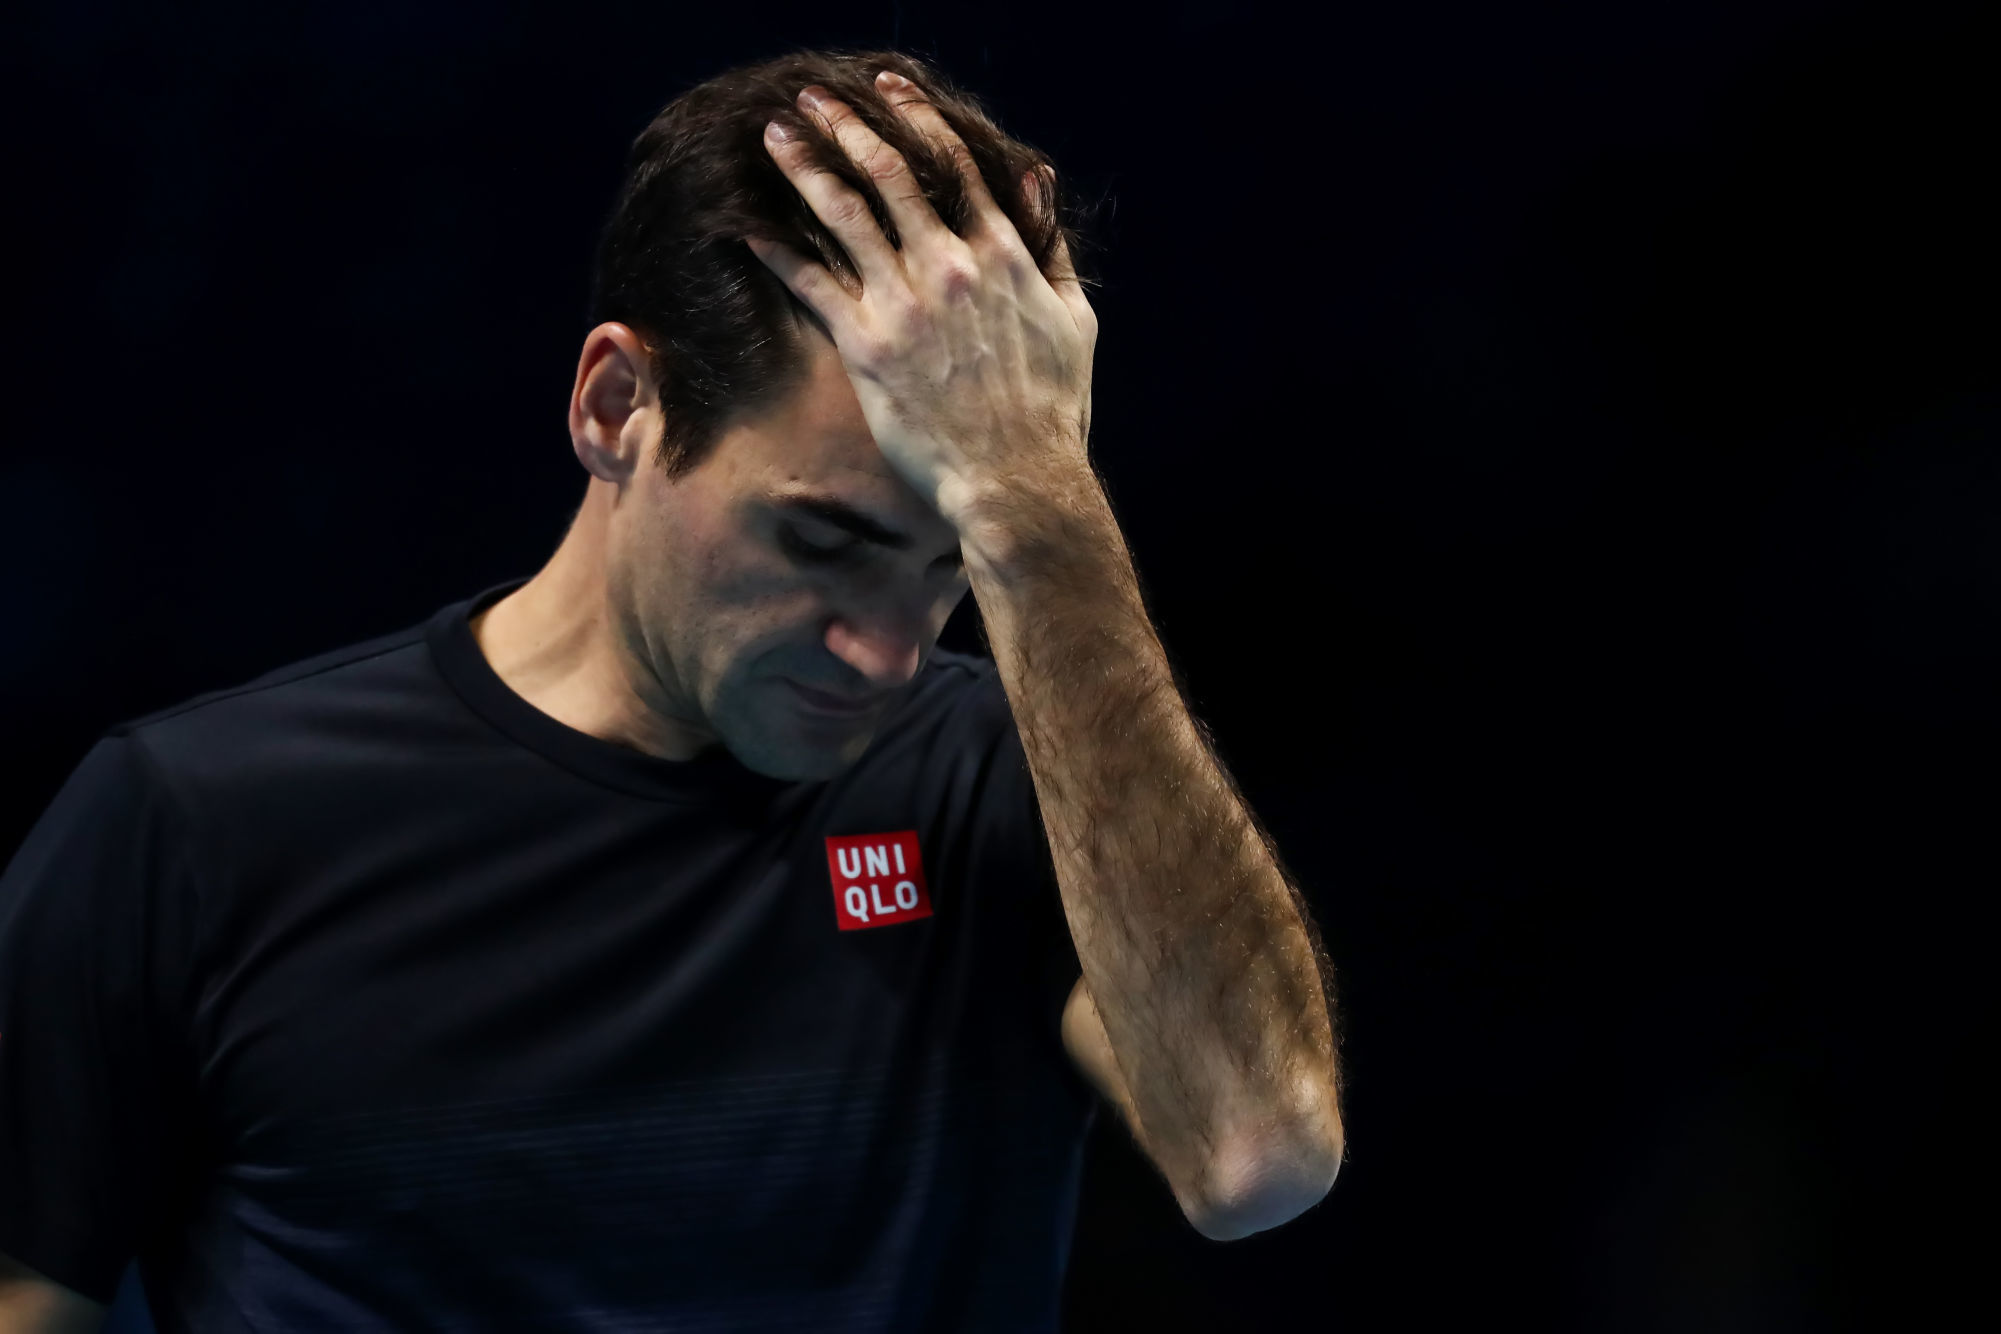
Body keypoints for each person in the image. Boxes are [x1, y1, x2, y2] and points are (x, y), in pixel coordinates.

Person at [0, 47, 1344, 1333]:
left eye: (951, 565)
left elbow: (1257, 1154)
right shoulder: (191, 824)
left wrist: (1039, 512)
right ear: (615, 405)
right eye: (824, 539)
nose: (886, 651)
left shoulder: (1007, 785)